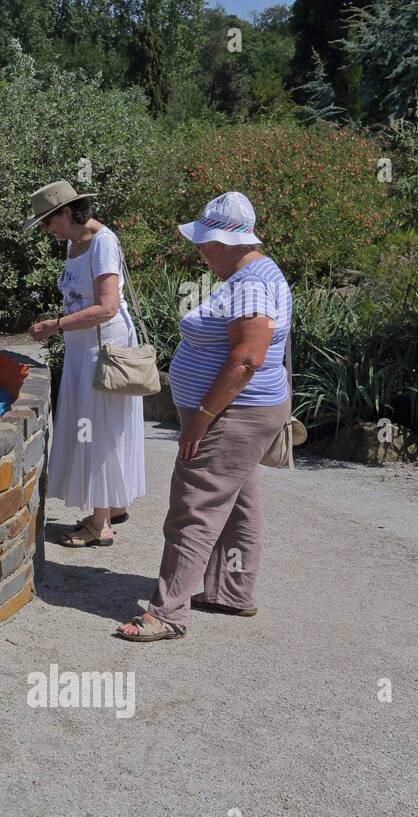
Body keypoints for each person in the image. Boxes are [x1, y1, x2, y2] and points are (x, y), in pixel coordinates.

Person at [116, 192, 292, 641]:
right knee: (238, 504)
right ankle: (231, 592)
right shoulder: (256, 272)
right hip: (250, 411)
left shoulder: (250, 283)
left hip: (233, 414)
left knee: (192, 507)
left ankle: (167, 612)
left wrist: (202, 417)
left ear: (224, 241)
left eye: (203, 242)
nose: (199, 250)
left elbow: (246, 358)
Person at [24, 180, 145, 547]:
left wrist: (55, 326)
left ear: (66, 212)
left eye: (47, 222)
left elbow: (108, 307)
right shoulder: (75, 244)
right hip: (85, 349)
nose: (46, 231)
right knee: (97, 429)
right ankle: (111, 506)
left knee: (96, 431)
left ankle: (99, 526)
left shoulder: (102, 243)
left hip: (102, 351)